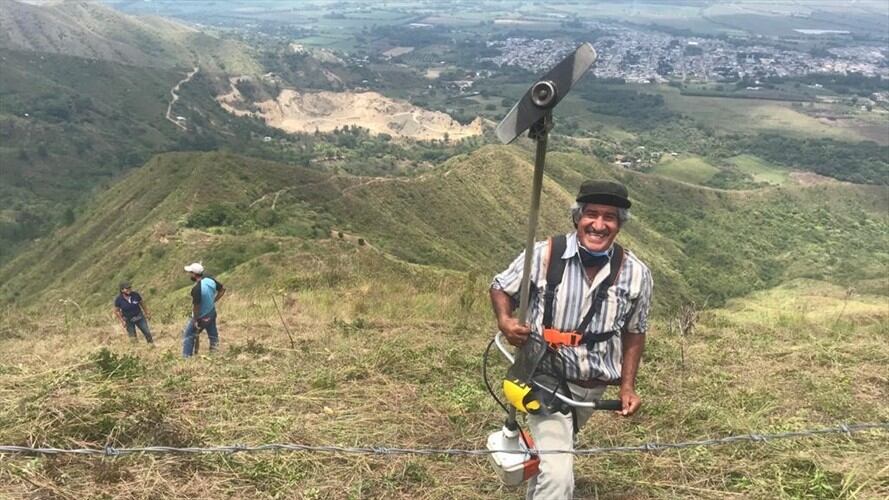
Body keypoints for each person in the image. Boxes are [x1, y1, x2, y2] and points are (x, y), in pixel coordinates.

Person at [490, 180, 653, 499]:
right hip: (541, 374)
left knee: (552, 457)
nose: (599, 224)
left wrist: (627, 386)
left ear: (619, 224)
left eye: (609, 217)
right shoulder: (545, 255)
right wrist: (505, 320)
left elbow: (635, 330)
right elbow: (501, 286)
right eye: (591, 214)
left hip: (591, 385)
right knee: (560, 474)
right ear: (577, 218)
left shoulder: (636, 273)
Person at [181, 262, 225, 357]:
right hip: (211, 312)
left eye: (190, 273)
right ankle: (214, 354)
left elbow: (196, 307)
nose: (189, 275)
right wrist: (213, 300)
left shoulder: (197, 289)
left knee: (189, 335)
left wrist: (195, 320)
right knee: (213, 335)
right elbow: (222, 290)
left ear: (194, 274)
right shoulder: (210, 280)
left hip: (201, 317)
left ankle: (186, 358)